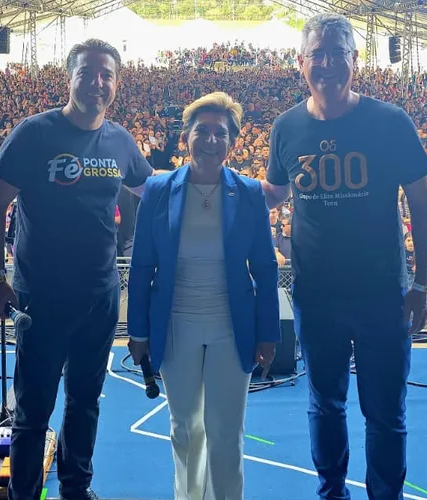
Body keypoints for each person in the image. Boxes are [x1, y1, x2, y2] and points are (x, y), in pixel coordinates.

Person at [260, 13, 427, 500]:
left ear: (355, 61)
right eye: (318, 53)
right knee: (325, 405)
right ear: (301, 63)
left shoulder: (389, 122)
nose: (328, 63)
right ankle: (331, 493)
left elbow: (423, 208)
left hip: (382, 293)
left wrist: (421, 285)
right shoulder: (287, 127)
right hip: (317, 295)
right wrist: (209, 183)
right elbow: (274, 192)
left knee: (385, 412)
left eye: (338, 53)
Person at [0, 39, 154, 500]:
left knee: (85, 402)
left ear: (116, 82)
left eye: (107, 75)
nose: (98, 83)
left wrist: (211, 182)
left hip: (99, 297)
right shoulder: (35, 133)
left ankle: (76, 489)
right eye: (87, 73)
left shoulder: (120, 140)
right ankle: (25, 495)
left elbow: (152, 190)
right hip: (41, 298)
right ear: (69, 77)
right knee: (33, 410)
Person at [126, 92, 281, 500]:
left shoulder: (248, 193)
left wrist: (269, 334)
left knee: (227, 432)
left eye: (221, 133)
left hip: (234, 327)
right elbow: (141, 268)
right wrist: (138, 331)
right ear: (185, 137)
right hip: (176, 324)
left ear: (232, 142)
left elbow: (266, 270)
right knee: (185, 429)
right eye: (203, 131)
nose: (211, 140)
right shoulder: (158, 190)